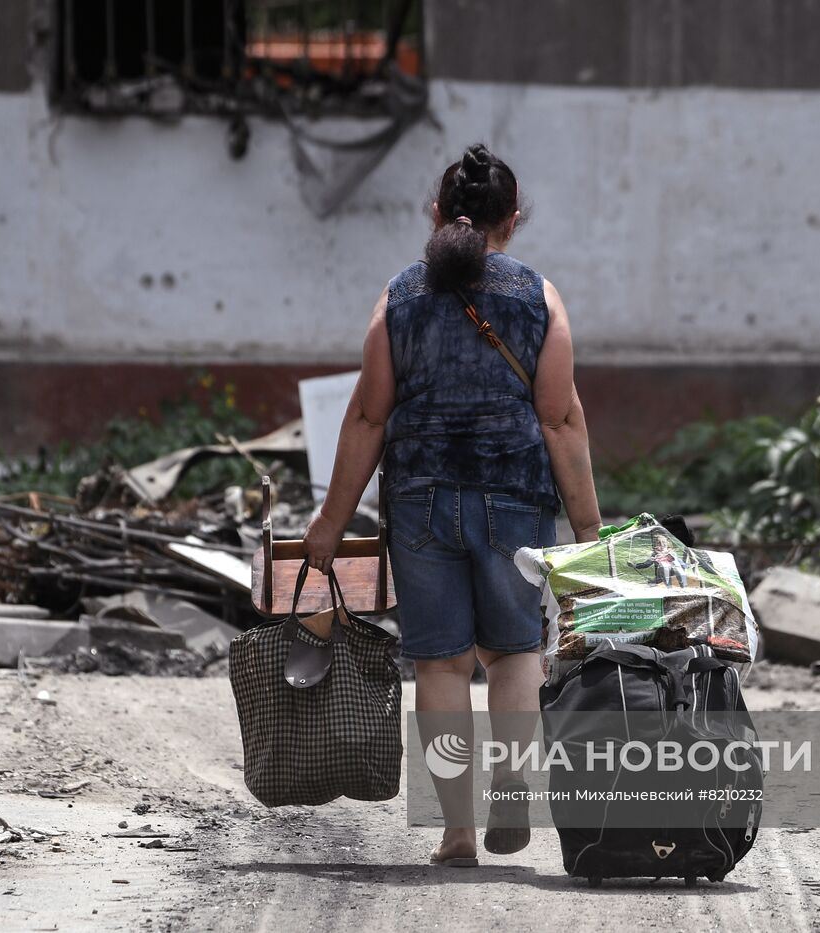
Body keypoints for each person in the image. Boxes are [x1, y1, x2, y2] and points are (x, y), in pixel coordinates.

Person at [303, 143, 601, 866]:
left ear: (435, 214)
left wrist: (329, 524)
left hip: (422, 502)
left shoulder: (399, 298)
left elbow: (368, 418)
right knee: (513, 653)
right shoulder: (540, 298)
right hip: (514, 502)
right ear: (514, 220)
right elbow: (559, 418)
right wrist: (591, 528)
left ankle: (458, 830)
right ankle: (509, 787)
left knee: (440, 665)